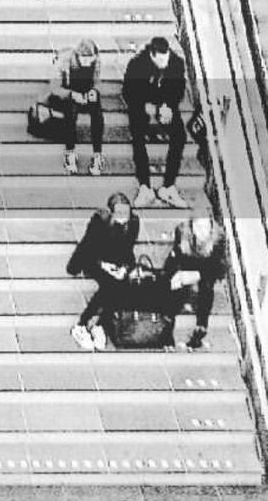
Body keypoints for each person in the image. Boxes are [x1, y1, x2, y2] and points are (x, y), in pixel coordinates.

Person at [67, 192, 140, 351]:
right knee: (111, 285)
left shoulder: (133, 223)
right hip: (94, 260)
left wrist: (124, 268)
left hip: (117, 261)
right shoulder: (100, 222)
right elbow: (89, 249)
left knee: (120, 284)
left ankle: (98, 323)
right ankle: (82, 324)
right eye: (119, 214)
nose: (123, 217)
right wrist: (105, 266)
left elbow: (128, 250)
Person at [122, 37, 189, 210]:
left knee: (180, 135)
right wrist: (146, 107)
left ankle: (168, 186)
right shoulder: (137, 65)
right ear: (152, 54)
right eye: (160, 58)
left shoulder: (176, 63)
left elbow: (178, 89)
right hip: (141, 102)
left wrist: (168, 106)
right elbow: (129, 92)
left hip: (163, 102)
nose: (164, 62)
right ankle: (145, 186)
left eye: (166, 57)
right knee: (137, 132)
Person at [164, 214, 228, 351]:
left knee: (207, 286)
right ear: (192, 228)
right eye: (198, 227)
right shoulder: (182, 234)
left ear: (211, 228)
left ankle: (201, 325)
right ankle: (168, 326)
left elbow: (219, 269)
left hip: (205, 272)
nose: (202, 231)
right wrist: (175, 276)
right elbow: (172, 261)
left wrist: (196, 275)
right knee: (175, 285)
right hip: (186, 266)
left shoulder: (218, 239)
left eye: (206, 227)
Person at [52, 38, 105, 176]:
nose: (87, 62)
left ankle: (97, 154)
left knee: (97, 112)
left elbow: (96, 82)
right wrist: (72, 94)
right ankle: (70, 152)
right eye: (84, 59)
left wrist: (93, 92)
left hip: (85, 92)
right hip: (66, 94)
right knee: (71, 112)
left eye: (90, 59)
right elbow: (54, 88)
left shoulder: (96, 61)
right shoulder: (64, 62)